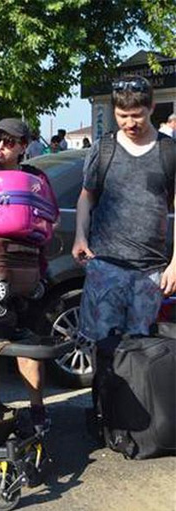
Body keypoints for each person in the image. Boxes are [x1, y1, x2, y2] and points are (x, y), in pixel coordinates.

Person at [73, 75, 176, 347]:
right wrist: (80, 237)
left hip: (150, 273)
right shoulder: (103, 148)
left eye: (136, 115)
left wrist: (175, 264)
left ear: (152, 108)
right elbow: (86, 197)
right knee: (101, 352)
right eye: (122, 115)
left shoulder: (170, 152)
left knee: (143, 355)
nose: (129, 123)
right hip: (104, 266)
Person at [0, 118, 59, 431]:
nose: (0, 147)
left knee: (26, 345)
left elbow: (48, 220)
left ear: (24, 146)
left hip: (26, 273)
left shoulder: (35, 178)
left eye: (9, 141)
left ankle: (38, 409)